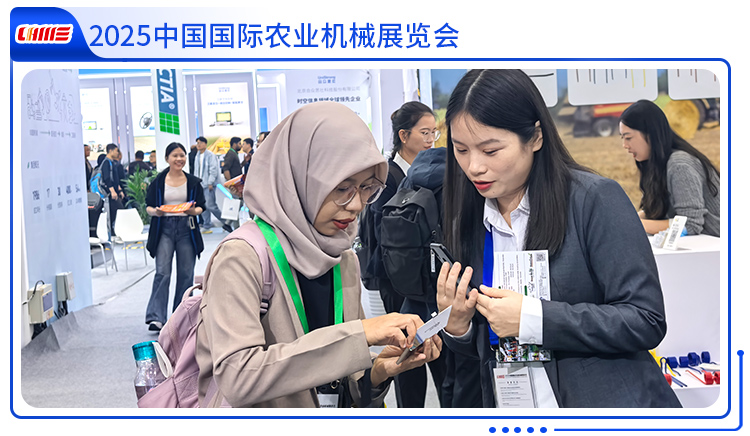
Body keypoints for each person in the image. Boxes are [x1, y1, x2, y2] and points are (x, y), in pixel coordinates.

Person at [436, 69, 680, 408]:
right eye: (461, 150)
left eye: (490, 151)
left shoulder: (593, 200)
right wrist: (458, 327)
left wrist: (534, 319)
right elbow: (482, 345)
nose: (474, 166)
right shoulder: (467, 218)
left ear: (535, 137)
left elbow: (645, 319)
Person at [195, 102, 442, 408]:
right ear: (299, 178)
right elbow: (238, 378)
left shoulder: (342, 256)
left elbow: (342, 382)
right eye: (342, 188)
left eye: (366, 188)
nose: (356, 205)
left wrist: (378, 370)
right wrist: (359, 335)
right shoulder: (242, 257)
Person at [369, 101, 438, 314]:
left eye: (433, 132)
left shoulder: (427, 174)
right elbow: (382, 230)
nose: (430, 139)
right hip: (395, 272)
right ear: (404, 136)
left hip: (420, 272)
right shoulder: (387, 177)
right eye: (424, 132)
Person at [619, 99, 720, 237]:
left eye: (628, 138)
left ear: (650, 134)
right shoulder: (656, 164)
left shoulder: (680, 165)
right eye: (622, 138)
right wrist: (627, 219)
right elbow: (655, 209)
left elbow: (690, 225)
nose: (625, 145)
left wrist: (634, 224)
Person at [144, 142, 206, 332]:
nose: (179, 159)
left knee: (186, 274)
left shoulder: (193, 182)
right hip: (164, 228)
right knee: (162, 272)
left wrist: (192, 211)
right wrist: (156, 212)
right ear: (167, 159)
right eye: (175, 156)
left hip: (187, 228)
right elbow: (148, 206)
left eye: (182, 155)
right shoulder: (158, 182)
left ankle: (181, 317)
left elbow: (201, 207)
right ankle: (156, 317)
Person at [194, 136, 232, 233]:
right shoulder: (197, 155)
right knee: (203, 205)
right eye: (197, 143)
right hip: (200, 184)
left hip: (208, 184)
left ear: (205, 144)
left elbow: (213, 170)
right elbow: (196, 170)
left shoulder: (210, 155)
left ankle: (226, 222)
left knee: (211, 205)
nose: (198, 145)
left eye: (200, 143)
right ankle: (207, 225)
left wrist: (210, 182)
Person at [100, 143, 125, 235]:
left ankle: (114, 231)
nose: (117, 153)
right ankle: (113, 232)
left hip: (114, 191)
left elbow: (115, 178)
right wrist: (112, 191)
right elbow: (107, 178)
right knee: (119, 210)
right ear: (110, 151)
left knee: (115, 212)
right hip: (110, 193)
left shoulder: (112, 162)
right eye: (116, 151)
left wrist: (119, 190)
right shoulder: (106, 162)